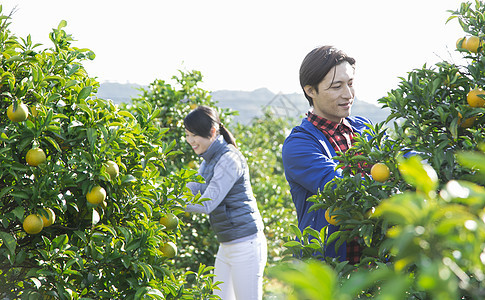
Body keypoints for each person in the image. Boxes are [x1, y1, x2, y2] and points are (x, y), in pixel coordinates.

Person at [281, 45, 372, 264]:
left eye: (350, 84)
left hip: (374, 263)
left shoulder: (364, 129)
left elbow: (400, 158)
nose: (348, 94)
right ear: (310, 90)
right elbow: (340, 187)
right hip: (329, 266)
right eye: (336, 86)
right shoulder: (299, 144)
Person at [183, 105, 267, 300]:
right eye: (187, 135)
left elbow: (207, 203)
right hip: (227, 245)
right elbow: (194, 188)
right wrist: (166, 194)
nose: (190, 141)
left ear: (212, 132)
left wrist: (172, 203)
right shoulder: (208, 160)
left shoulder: (229, 159)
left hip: (246, 245)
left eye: (194, 135)